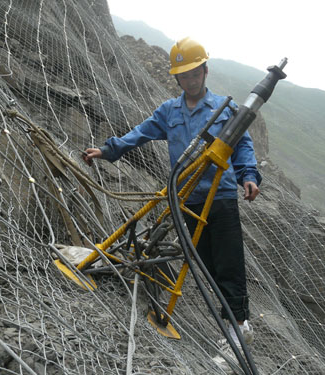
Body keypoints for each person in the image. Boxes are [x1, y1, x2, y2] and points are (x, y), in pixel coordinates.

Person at [83, 37, 261, 370]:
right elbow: (140, 133)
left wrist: (248, 175)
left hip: (218, 199)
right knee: (204, 263)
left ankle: (240, 329)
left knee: (228, 263)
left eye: (195, 73)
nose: (190, 80)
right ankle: (234, 326)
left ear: (204, 72)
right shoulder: (170, 111)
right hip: (187, 199)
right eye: (184, 76)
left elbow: (243, 147)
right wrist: (109, 150)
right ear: (177, 79)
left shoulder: (225, 110)